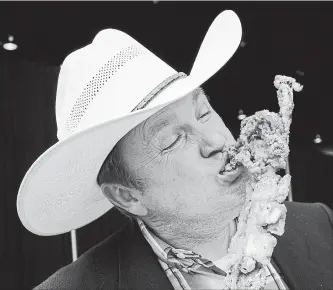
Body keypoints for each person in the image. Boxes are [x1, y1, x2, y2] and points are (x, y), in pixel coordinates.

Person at [16, 10, 333, 290]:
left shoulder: (322, 227)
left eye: (204, 113)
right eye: (171, 141)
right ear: (127, 195)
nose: (216, 141)